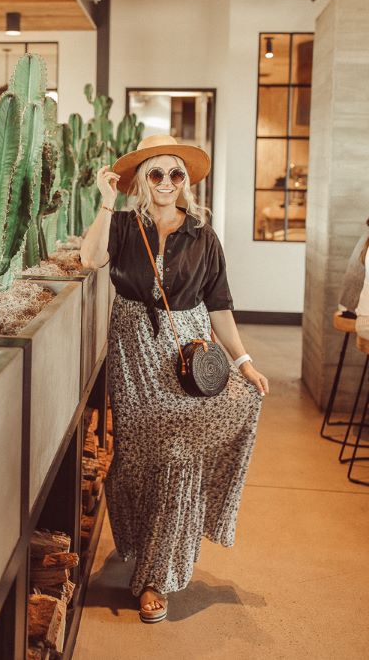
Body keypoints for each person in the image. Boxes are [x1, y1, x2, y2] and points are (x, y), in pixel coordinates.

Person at [80, 134, 269, 624]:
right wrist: (105, 203)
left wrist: (244, 361)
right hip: (132, 349)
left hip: (186, 351)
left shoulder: (203, 234)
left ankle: (155, 577)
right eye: (156, 173)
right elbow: (89, 259)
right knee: (137, 456)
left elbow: (219, 304)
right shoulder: (122, 224)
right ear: (142, 179)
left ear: (186, 181)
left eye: (176, 174)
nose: (166, 182)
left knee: (177, 455)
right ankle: (141, 547)